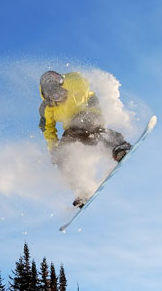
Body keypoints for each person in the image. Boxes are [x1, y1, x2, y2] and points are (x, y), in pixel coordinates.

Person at [38, 70, 131, 207]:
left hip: (89, 112)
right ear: (48, 98)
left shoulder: (73, 81)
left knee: (85, 127)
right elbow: (48, 130)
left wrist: (63, 81)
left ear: (61, 85)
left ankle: (119, 146)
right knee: (61, 155)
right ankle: (81, 189)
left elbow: (83, 83)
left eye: (60, 92)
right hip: (72, 128)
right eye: (54, 96)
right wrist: (53, 148)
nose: (59, 97)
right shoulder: (47, 108)